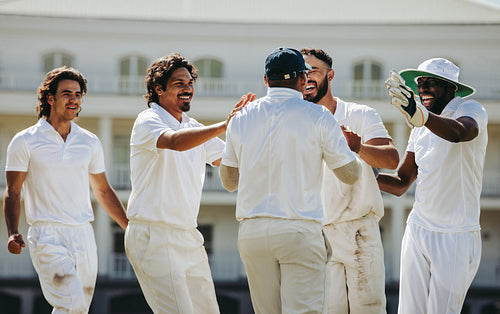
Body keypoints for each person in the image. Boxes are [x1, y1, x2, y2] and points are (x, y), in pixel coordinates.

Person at [219, 47, 362, 314]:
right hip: (299, 229)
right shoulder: (319, 116)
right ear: (302, 79)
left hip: (253, 231)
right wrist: (352, 148)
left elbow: (229, 181)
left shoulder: (241, 117)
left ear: (265, 80)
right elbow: (349, 174)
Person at [124, 52, 254, 314]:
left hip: (188, 236)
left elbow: (233, 161)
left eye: (190, 83)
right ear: (159, 89)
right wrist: (225, 124)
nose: (188, 89)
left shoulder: (192, 125)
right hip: (153, 234)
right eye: (179, 83)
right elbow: (175, 142)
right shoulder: (148, 120)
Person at [3, 66, 129, 313]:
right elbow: (13, 191)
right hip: (46, 235)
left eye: (78, 94)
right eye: (66, 93)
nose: (74, 99)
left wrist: (129, 227)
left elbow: (102, 190)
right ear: (50, 98)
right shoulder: (24, 140)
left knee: (76, 309)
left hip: (83, 234)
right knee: (71, 303)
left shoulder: (89, 141)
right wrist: (12, 232)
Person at [379, 58, 488, 314]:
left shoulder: (470, 108)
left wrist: (421, 115)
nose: (423, 89)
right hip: (418, 229)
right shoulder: (419, 126)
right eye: (420, 84)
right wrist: (362, 173)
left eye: (432, 83)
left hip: (457, 234)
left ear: (451, 88)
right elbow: (402, 182)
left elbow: (461, 132)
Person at [300, 48, 399, 314]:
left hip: (359, 232)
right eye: (302, 71)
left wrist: (357, 147)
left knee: (368, 309)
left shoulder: (360, 114)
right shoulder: (294, 121)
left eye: (314, 71)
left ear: (330, 75)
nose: (307, 76)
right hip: (316, 235)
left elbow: (391, 160)